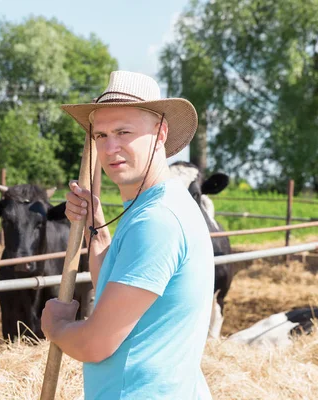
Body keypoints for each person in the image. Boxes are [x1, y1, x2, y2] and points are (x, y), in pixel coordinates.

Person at [40, 71, 215, 399]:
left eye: (124, 132)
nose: (110, 147)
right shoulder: (156, 206)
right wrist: (96, 225)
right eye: (102, 135)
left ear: (160, 132)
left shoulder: (158, 221)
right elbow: (110, 285)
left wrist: (56, 327)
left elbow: (96, 344)